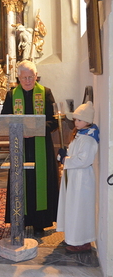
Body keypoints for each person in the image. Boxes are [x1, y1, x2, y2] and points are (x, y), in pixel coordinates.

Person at [1, 60, 59, 236]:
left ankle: (41, 221)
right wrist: (19, 130)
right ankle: (21, 219)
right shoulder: (12, 95)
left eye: (31, 77)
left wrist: (35, 130)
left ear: (36, 76)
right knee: (22, 180)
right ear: (18, 78)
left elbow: (54, 120)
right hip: (20, 145)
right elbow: (4, 118)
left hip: (41, 143)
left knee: (40, 179)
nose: (27, 81)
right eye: (24, 77)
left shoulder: (46, 93)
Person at [56, 101, 99, 253]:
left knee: (80, 209)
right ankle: (73, 237)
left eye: (79, 120)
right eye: (75, 119)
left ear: (87, 121)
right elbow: (74, 154)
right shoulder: (80, 135)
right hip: (74, 177)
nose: (76, 122)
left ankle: (82, 241)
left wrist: (64, 160)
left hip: (82, 178)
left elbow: (83, 160)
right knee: (73, 208)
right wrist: (65, 153)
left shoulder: (89, 139)